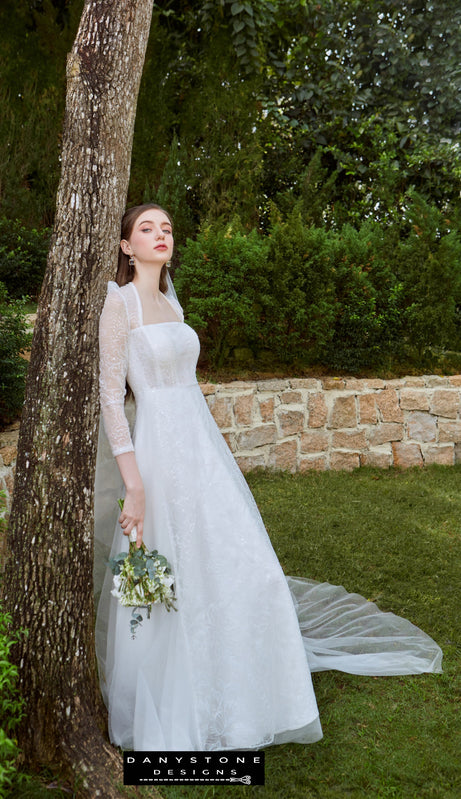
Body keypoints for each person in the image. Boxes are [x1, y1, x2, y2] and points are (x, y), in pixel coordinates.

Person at [94, 203, 442, 752]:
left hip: (200, 450)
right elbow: (112, 401)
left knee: (242, 565)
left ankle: (241, 690)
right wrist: (133, 484)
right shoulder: (121, 304)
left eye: (166, 229)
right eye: (146, 229)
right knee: (162, 576)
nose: (160, 236)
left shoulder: (170, 299)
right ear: (125, 246)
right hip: (156, 454)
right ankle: (169, 708)